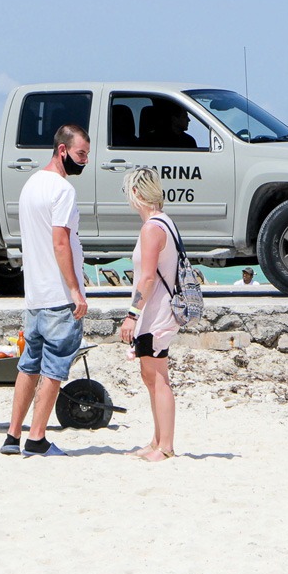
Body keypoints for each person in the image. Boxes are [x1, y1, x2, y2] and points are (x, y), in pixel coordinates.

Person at [1, 124, 90, 457]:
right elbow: (60, 241)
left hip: (35, 294)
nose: (85, 162)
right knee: (53, 368)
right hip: (57, 295)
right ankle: (36, 438)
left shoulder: (31, 184)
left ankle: (12, 435)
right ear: (63, 150)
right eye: (81, 154)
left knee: (29, 364)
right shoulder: (62, 189)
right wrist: (75, 290)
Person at [118, 166, 180, 462]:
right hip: (156, 311)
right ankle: (157, 440)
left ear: (136, 193)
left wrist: (131, 315)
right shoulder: (164, 223)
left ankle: (165, 446)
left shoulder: (152, 228)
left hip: (156, 312)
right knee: (150, 374)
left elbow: (148, 278)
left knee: (157, 376)